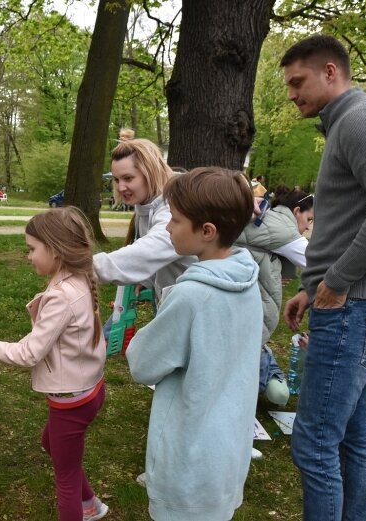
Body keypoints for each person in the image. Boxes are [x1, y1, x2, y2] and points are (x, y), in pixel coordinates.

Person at [280, 34, 366, 520]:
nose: (292, 94)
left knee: (314, 443)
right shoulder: (344, 125)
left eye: (298, 82)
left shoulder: (360, 121)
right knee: (355, 437)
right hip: (354, 303)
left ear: (331, 72)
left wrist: (336, 282)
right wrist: (307, 286)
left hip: (353, 307)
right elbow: (346, 222)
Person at [126, 168, 262, 521]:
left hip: (189, 458)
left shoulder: (191, 295)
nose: (168, 227)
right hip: (228, 453)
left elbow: (142, 364)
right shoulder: (247, 281)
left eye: (175, 219)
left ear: (206, 231)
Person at [0, 207, 109, 521]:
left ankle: (87, 508)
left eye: (32, 249)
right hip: (91, 390)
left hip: (72, 402)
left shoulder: (61, 296)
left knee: (65, 478)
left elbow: (30, 353)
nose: (28, 256)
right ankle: (92, 505)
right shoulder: (80, 279)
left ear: (55, 250)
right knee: (53, 445)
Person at [236, 188, 314, 407]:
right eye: (308, 219)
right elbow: (319, 265)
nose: (308, 226)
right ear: (296, 211)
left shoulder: (267, 217)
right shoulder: (283, 229)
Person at [93, 138, 195, 305]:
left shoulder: (176, 205)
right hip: (173, 300)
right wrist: (148, 279)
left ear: (150, 173)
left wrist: (88, 268)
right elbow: (162, 257)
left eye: (128, 178)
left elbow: (154, 247)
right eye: (117, 180)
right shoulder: (146, 204)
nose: (120, 188)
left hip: (191, 307)